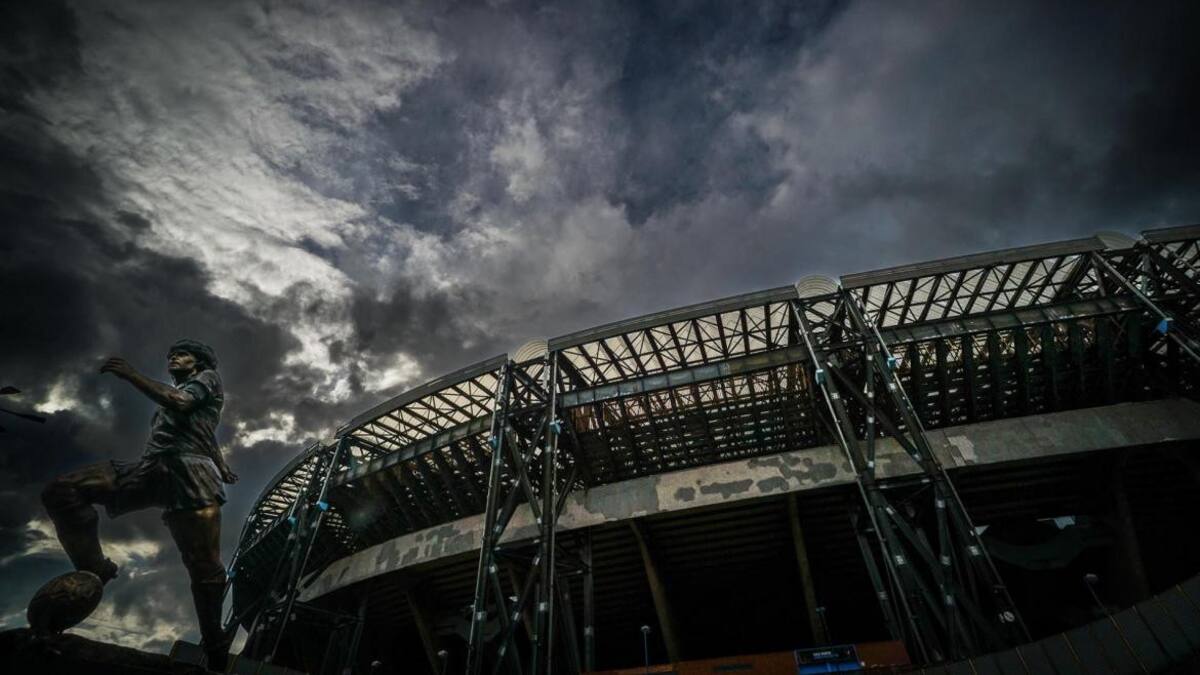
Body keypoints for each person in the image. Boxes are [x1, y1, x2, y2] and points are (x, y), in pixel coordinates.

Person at [41, 339, 238, 671]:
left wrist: (132, 374)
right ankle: (96, 566)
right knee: (62, 491)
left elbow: (180, 402)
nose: (173, 357)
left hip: (188, 474)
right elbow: (206, 431)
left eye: (182, 354)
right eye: (171, 354)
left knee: (203, 566)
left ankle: (214, 642)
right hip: (152, 468)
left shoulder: (207, 379)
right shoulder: (180, 397)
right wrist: (222, 463)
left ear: (199, 362)